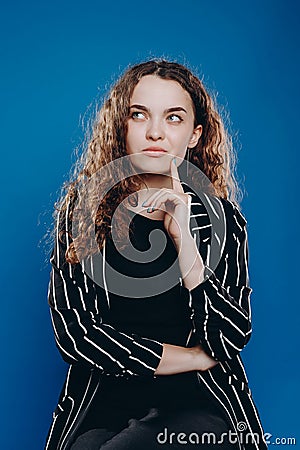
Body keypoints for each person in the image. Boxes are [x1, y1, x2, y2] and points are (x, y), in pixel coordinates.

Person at [44, 59, 268, 450]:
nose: (154, 132)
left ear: (195, 135)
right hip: (104, 401)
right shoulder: (82, 212)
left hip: (199, 403)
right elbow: (76, 334)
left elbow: (230, 336)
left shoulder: (223, 220)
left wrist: (185, 246)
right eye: (139, 115)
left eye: (174, 118)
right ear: (122, 126)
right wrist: (190, 357)